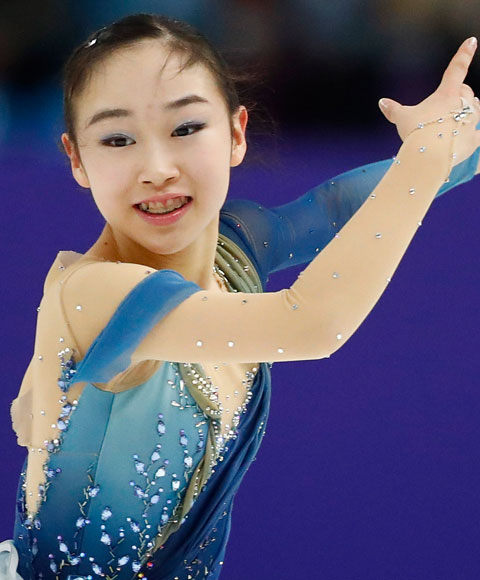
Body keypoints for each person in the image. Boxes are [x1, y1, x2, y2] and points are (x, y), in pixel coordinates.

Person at [1, 12, 479, 580]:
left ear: (235, 134)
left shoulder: (236, 248)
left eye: (185, 128)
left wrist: (454, 142)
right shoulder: (94, 294)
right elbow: (309, 324)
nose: (157, 168)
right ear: (76, 158)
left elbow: (337, 206)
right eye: (118, 139)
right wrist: (426, 156)